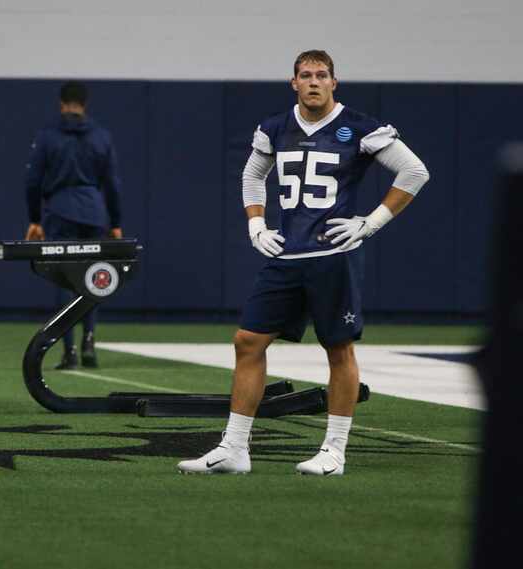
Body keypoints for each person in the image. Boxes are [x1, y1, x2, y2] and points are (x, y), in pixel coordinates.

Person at [178, 50, 430, 475]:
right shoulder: (276, 127)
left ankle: (334, 450)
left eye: (322, 75)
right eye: (305, 75)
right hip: (287, 254)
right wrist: (256, 224)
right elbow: (252, 175)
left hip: (333, 255)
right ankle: (235, 448)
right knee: (248, 340)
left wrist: (370, 223)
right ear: (293, 83)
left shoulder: (360, 127)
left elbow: (414, 172)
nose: (314, 81)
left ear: (335, 82)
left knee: (337, 348)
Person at [24, 80, 123, 369]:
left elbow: (32, 181)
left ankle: (68, 351)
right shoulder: (101, 136)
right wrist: (115, 221)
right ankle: (89, 341)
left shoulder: (47, 137)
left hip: (59, 212)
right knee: (92, 278)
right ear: (85, 103)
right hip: (94, 212)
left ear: (61, 103)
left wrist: (34, 219)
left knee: (64, 281)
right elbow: (113, 184)